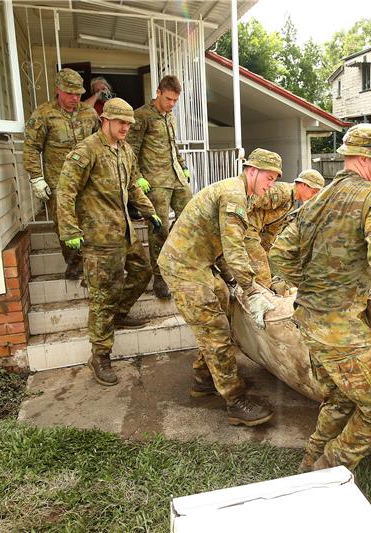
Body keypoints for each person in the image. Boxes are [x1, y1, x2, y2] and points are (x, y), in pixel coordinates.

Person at [269, 124, 371, 472]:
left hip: (308, 319)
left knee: (339, 399)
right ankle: (329, 468)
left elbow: (279, 254)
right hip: (340, 330)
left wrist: (315, 286)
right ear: (368, 159)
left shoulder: (319, 197)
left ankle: (310, 463)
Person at [157, 148, 283, 427]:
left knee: (223, 305)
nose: (270, 185)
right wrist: (251, 289)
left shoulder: (239, 193)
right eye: (269, 177)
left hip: (199, 262)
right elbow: (235, 248)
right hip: (184, 267)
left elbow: (223, 248)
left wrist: (231, 280)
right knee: (214, 330)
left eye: (275, 180)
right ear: (252, 171)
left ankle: (204, 380)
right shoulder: (235, 195)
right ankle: (235, 400)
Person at [56, 98, 165, 386]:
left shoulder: (125, 150)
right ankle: (100, 355)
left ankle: (119, 313)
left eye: (129, 123)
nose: (126, 128)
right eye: (121, 122)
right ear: (105, 120)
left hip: (124, 231)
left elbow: (131, 186)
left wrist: (150, 212)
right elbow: (65, 191)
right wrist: (69, 230)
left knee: (143, 270)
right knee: (102, 294)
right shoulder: (86, 151)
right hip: (98, 237)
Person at [24, 68, 99, 280]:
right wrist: (36, 177)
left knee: (91, 222)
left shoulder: (89, 113)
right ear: (58, 90)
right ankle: (74, 262)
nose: (75, 98)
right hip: (59, 183)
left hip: (88, 182)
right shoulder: (43, 114)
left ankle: (92, 263)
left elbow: (99, 144)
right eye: (70, 93)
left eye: (78, 93)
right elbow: (31, 148)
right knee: (64, 226)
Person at [127, 75, 193, 299]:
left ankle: (178, 261)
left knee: (191, 217)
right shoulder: (141, 116)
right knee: (159, 230)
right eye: (168, 99)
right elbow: (130, 151)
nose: (171, 104)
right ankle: (160, 276)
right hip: (155, 182)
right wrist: (137, 178)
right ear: (158, 92)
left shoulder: (170, 116)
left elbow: (173, 145)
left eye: (175, 100)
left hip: (176, 177)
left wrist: (183, 166)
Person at [246, 169, 324, 290]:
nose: (313, 196)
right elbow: (248, 201)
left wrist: (267, 251)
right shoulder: (283, 192)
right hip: (246, 232)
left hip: (254, 236)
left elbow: (270, 232)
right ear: (303, 185)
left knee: (271, 269)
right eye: (313, 192)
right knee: (263, 278)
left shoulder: (290, 203)